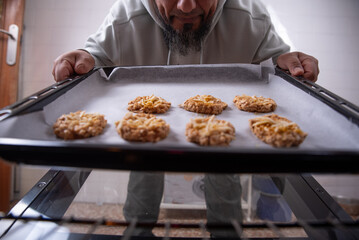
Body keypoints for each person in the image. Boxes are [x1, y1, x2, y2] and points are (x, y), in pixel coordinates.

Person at [52, 0, 320, 237]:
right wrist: (82, 58)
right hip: (146, 130)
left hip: (223, 132)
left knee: (224, 169)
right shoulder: (125, 16)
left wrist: (287, 60)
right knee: (144, 162)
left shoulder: (250, 16)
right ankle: (138, 232)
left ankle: (226, 234)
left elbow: (274, 60)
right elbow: (96, 58)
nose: (186, 6)